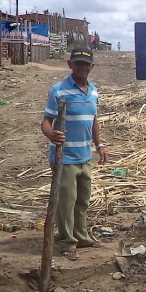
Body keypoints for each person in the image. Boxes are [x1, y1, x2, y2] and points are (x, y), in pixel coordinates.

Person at [40, 47, 108, 261]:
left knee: (82, 201)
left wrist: (99, 146)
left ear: (92, 67)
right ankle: (67, 242)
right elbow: (46, 121)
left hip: (84, 156)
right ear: (70, 65)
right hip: (65, 158)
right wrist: (52, 135)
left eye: (86, 64)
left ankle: (82, 236)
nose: (82, 67)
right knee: (66, 202)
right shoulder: (58, 90)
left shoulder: (93, 91)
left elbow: (93, 120)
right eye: (78, 63)